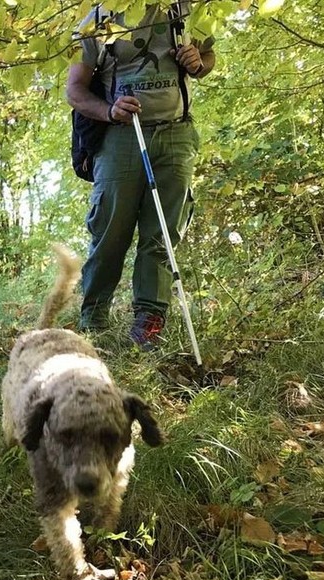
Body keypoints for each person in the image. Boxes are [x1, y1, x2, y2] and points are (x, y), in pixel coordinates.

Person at [65, 2, 215, 349]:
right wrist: (109, 110)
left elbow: (208, 60)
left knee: (163, 231)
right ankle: (94, 319)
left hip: (177, 133)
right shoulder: (99, 19)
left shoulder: (188, 10)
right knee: (110, 231)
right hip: (121, 137)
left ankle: (149, 321)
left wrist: (198, 63)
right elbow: (75, 90)